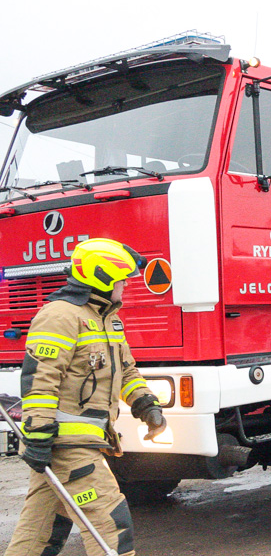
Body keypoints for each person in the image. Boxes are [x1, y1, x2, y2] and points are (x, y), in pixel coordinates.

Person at [6, 238, 166, 556]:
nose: (124, 285)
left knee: (39, 534)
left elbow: (126, 370)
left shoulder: (109, 319)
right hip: (65, 445)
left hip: (82, 442)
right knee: (111, 523)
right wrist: (38, 436)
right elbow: (40, 379)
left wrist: (146, 404)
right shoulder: (60, 316)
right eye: (121, 278)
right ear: (101, 278)